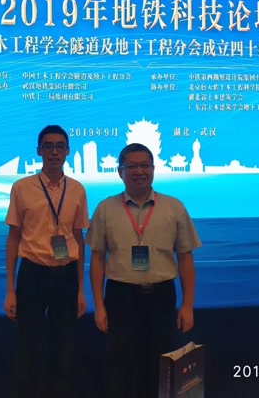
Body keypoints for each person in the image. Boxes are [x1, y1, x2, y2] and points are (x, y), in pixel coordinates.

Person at [86, 142, 202, 398]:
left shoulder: (174, 207)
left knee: (158, 366)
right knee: (120, 366)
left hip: (161, 297)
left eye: (145, 165)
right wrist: (99, 306)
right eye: (132, 166)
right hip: (121, 297)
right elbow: (97, 259)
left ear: (153, 168)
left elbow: (185, 258)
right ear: (120, 172)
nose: (139, 171)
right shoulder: (105, 208)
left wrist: (187, 305)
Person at [3, 124, 89, 398]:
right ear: (39, 151)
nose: (54, 152)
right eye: (48, 146)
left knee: (63, 349)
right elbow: (13, 238)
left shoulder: (77, 190)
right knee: (28, 348)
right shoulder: (22, 188)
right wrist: (10, 290)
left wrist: (80, 289)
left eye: (60, 146)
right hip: (32, 275)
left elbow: (78, 239)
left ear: (68, 151)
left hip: (66, 276)